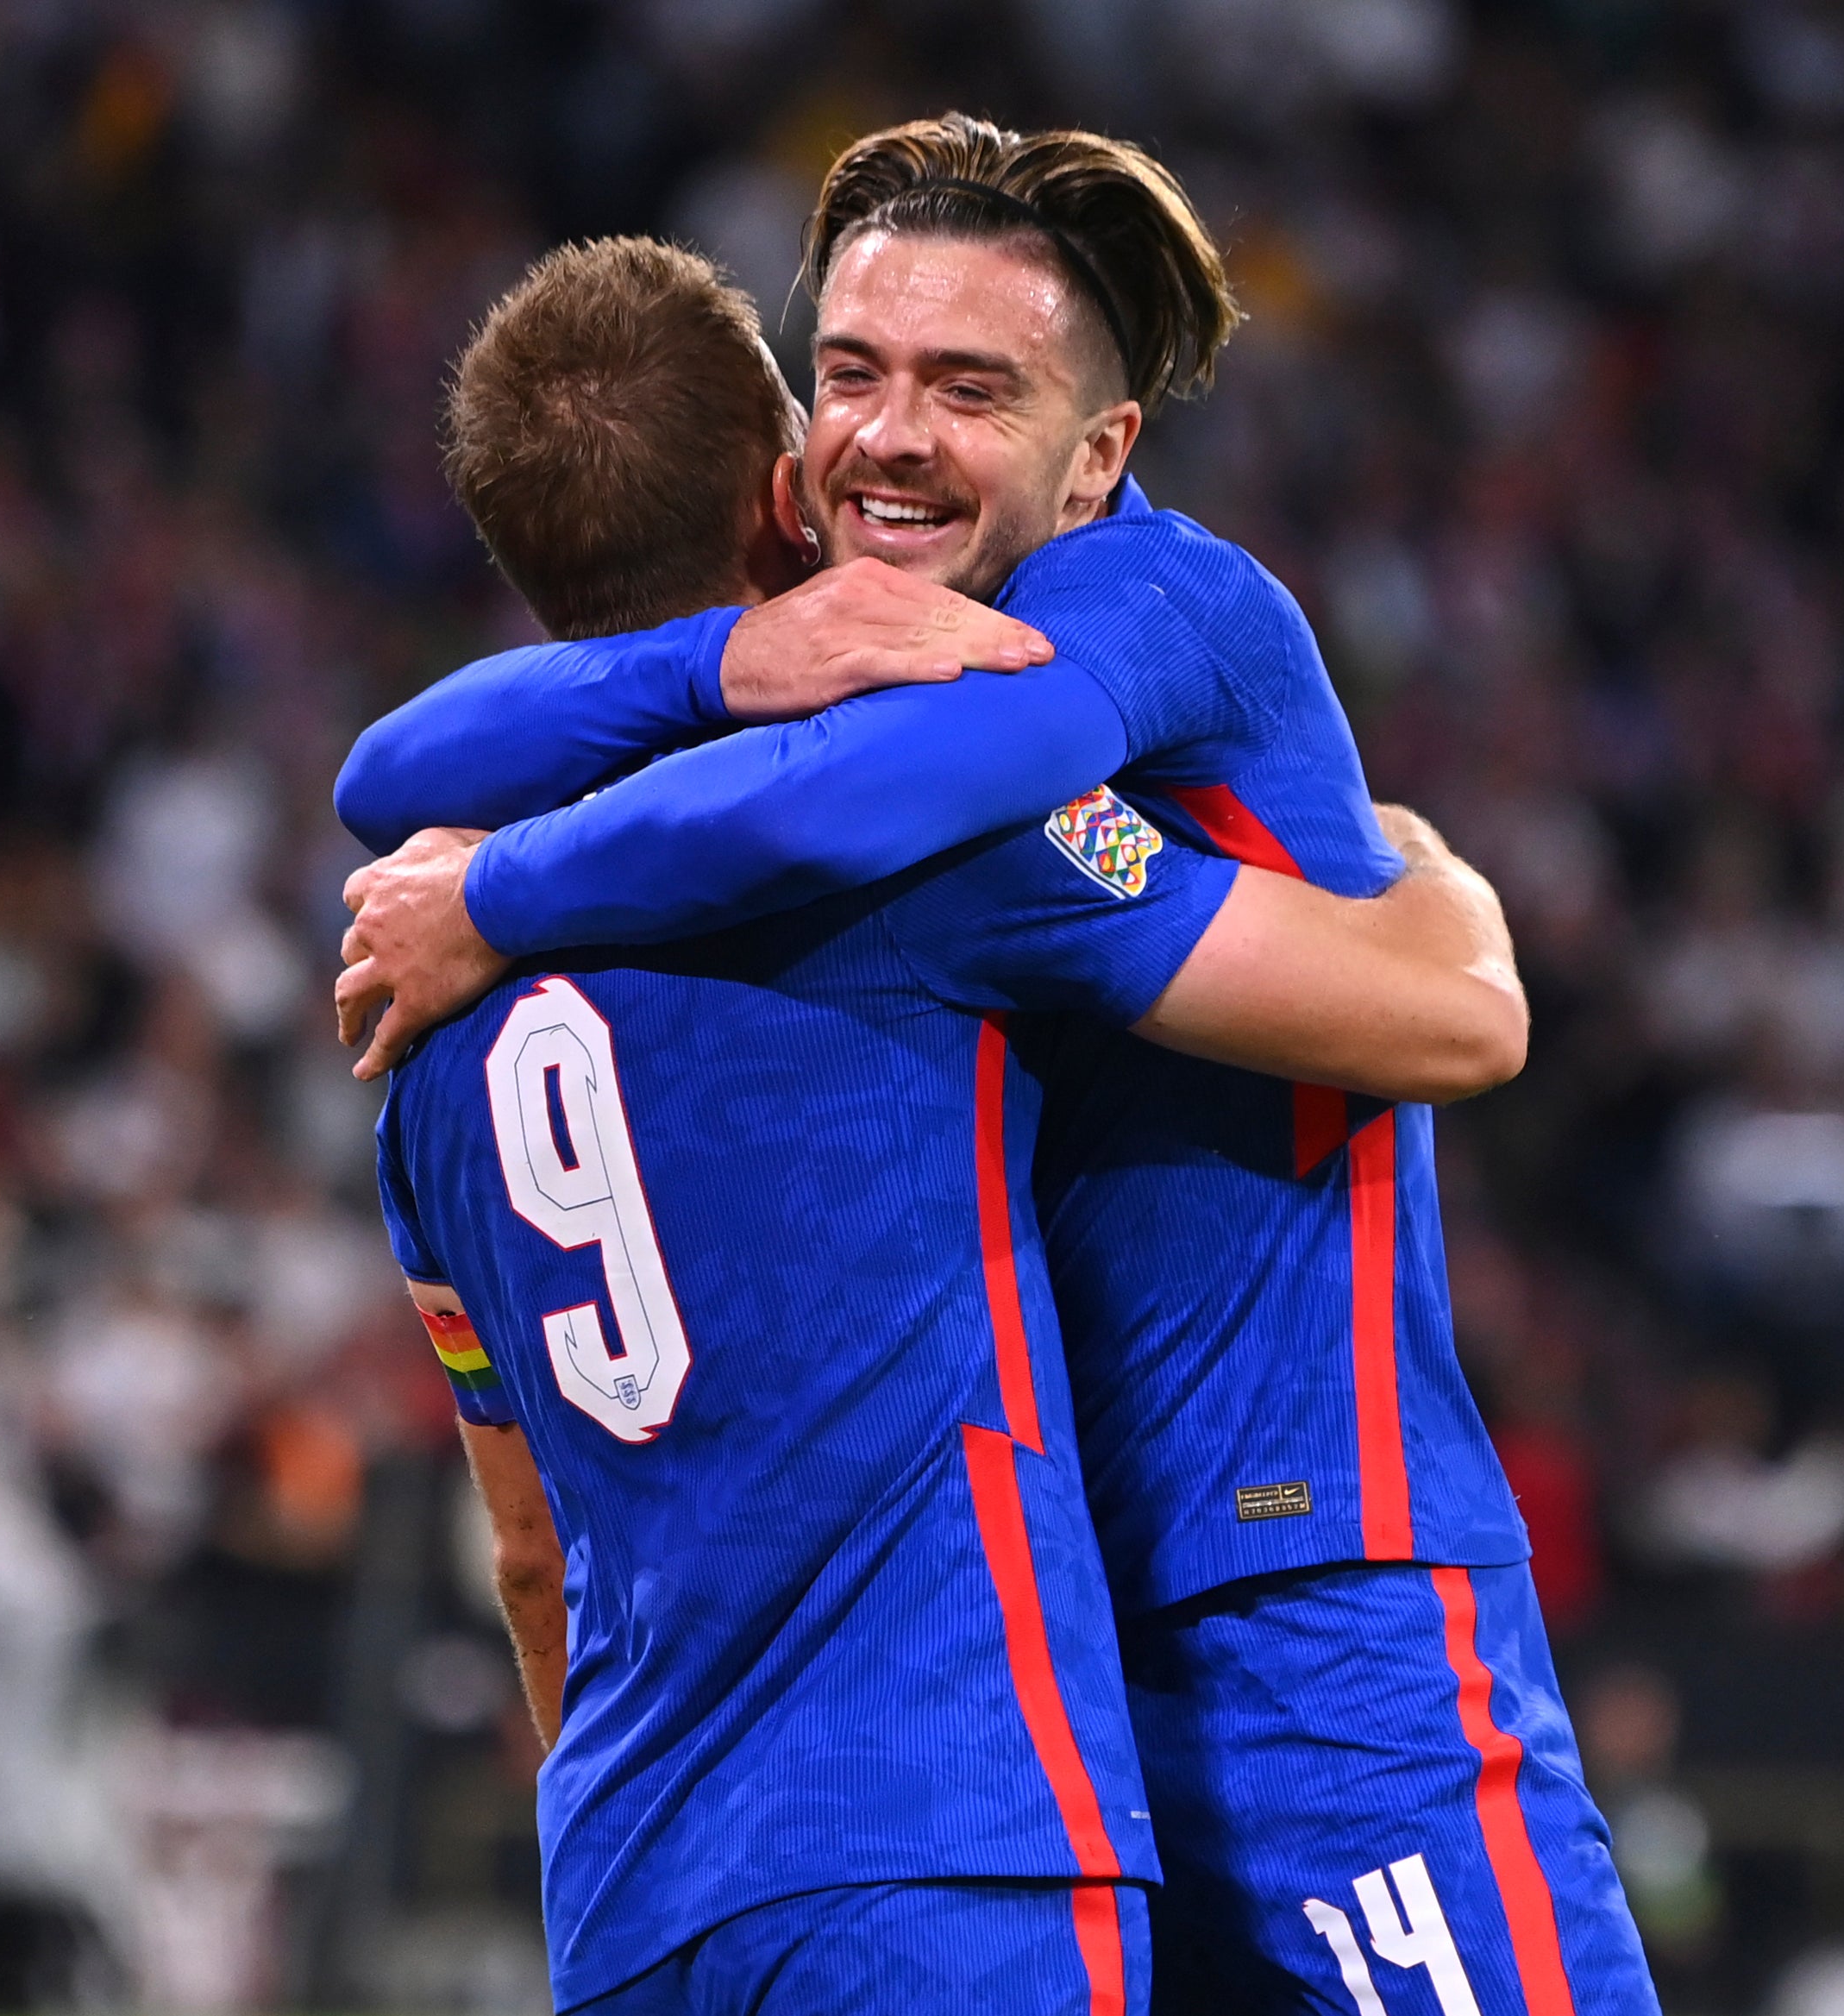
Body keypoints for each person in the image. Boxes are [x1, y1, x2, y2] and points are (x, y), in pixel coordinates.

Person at [336, 116, 1659, 2016]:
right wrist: (726, 665)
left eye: (973, 389)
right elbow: (386, 766)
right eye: (854, 375)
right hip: (1047, 1696)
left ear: (1097, 451)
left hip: (1308, 1608)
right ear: (786, 435)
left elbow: (1462, 1018)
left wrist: (506, 891)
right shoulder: (827, 732)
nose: (891, 434)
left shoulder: (1145, 608)